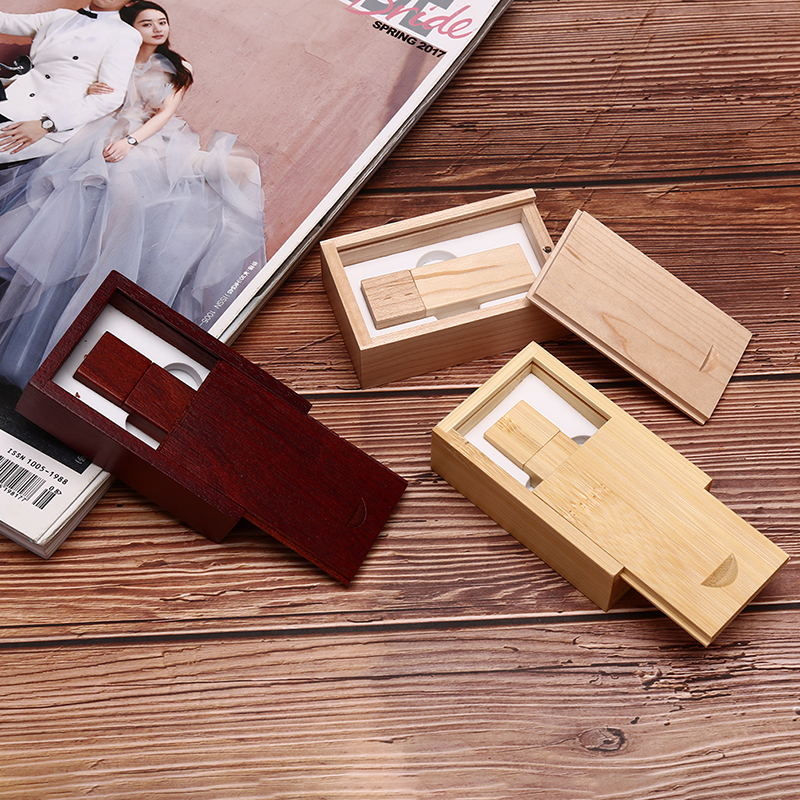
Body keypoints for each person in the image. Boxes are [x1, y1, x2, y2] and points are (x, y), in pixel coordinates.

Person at [0, 0, 267, 388]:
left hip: (148, 138)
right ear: (131, 28)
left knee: (229, 171)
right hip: (105, 134)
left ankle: (112, 300)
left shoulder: (179, 65)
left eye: (162, 22)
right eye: (147, 23)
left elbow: (164, 114)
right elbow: (99, 99)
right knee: (101, 200)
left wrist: (131, 140)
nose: (157, 29)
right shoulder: (116, 55)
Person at [0, 1, 141, 165]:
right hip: (12, 100)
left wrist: (48, 124)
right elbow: (6, 22)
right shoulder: (59, 16)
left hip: (45, 121)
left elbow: (109, 98)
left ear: (131, 2)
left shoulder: (125, 34)